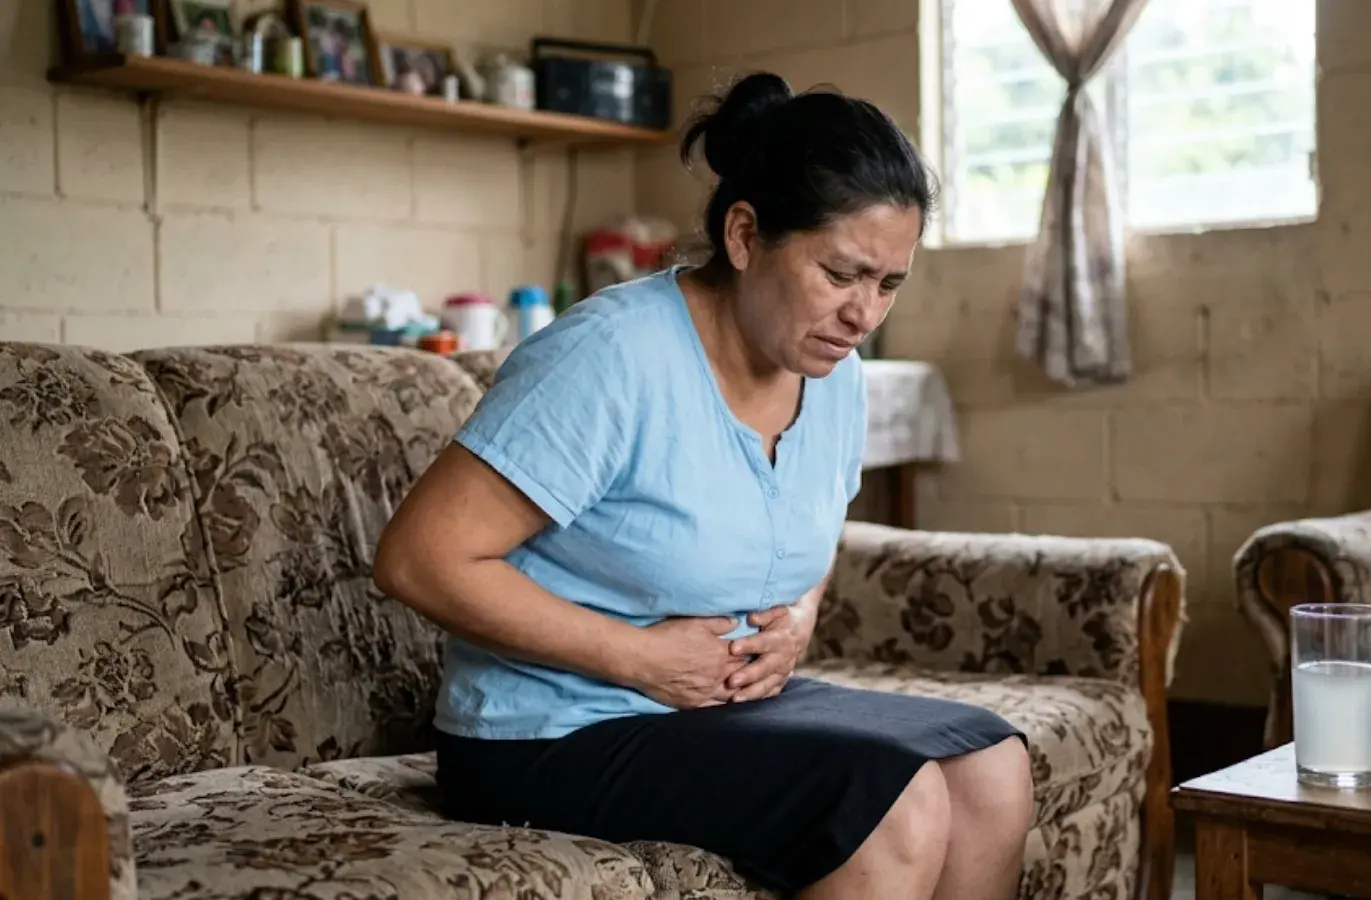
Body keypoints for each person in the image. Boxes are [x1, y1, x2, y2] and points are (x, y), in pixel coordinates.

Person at [374, 72, 1033, 900]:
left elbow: (808, 522)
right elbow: (417, 560)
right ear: (746, 234)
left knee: (992, 766)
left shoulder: (836, 374)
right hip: (547, 733)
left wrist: (799, 618)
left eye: (888, 284)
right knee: (890, 803)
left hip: (708, 711)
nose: (865, 313)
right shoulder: (611, 356)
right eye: (840, 274)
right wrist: (640, 658)